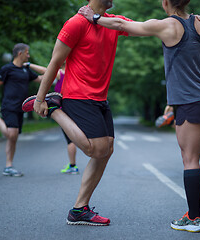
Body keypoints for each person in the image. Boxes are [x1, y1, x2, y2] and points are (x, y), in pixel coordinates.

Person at [78, 0, 200, 233]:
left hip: (189, 100)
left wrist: (93, 18)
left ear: (166, 2)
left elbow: (121, 25)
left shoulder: (166, 26)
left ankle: (193, 218)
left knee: (190, 159)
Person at [22, 0, 133, 226]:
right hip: (78, 94)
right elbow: (55, 62)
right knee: (97, 149)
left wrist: (176, 21)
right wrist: (41, 98)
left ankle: (79, 209)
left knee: (107, 149)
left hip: (100, 97)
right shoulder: (75, 23)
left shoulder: (112, 23)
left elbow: (142, 27)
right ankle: (54, 109)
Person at [0, 43, 42, 177]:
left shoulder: (25, 70)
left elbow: (42, 78)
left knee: (13, 138)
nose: (29, 55)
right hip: (9, 105)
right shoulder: (7, 69)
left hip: (21, 107)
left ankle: (8, 166)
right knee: (12, 135)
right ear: (20, 53)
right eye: (27, 53)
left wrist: (53, 71)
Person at [27, 62, 79, 174]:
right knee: (73, 136)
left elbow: (44, 70)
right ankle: (72, 164)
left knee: (70, 139)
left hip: (64, 107)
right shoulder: (74, 73)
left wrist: (28, 65)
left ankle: (73, 166)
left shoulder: (61, 73)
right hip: (75, 105)